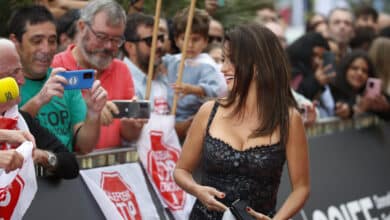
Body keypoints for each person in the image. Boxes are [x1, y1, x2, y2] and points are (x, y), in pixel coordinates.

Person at [174, 23, 309, 220]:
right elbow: (181, 170)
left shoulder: (288, 119)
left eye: (231, 60)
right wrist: (196, 189)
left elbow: (302, 188)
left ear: (257, 65)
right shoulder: (208, 111)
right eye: (222, 60)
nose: (223, 68)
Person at [8, 5, 107, 154]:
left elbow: (85, 147)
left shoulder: (64, 80)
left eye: (52, 41)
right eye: (37, 41)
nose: (46, 49)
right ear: (15, 42)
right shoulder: (6, 84)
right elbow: (7, 135)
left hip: (64, 173)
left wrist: (93, 114)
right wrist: (40, 100)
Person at [51, 0, 145, 149]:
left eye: (116, 40)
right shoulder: (56, 68)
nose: (108, 46)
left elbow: (129, 136)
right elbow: (50, 133)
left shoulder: (122, 70)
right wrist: (90, 117)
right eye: (101, 37)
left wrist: (132, 124)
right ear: (82, 27)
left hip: (110, 167)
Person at [0, 38, 79, 179]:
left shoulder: (21, 119)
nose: (21, 81)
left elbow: (71, 165)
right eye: (13, 74)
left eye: (20, 71)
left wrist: (43, 156)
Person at [164, 7, 227, 140]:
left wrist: (191, 89)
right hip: (169, 118)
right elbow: (155, 64)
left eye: (195, 39)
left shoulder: (206, 64)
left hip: (193, 119)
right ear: (176, 40)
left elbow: (215, 90)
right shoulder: (173, 60)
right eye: (184, 38)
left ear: (205, 41)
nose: (190, 44)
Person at [123, 13, 170, 114]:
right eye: (150, 41)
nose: (159, 45)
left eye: (160, 38)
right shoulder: (123, 82)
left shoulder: (165, 71)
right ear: (130, 47)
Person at [330, 50, 376, 119]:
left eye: (365, 71)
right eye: (354, 68)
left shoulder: (370, 91)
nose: (360, 73)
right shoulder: (333, 90)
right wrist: (349, 110)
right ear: (345, 69)